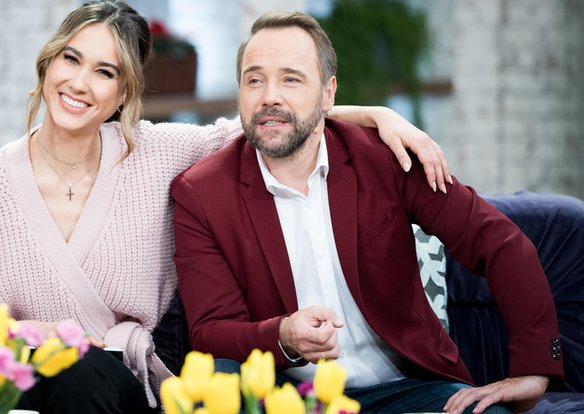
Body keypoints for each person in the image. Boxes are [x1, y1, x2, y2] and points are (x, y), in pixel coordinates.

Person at [0, 1, 452, 413]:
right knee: (68, 373)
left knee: (87, 374)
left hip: (120, 383)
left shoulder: (154, 154)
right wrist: (38, 338)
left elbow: (265, 122)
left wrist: (377, 115)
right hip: (15, 382)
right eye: (70, 60)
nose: (79, 83)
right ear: (46, 64)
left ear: (124, 94)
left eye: (105, 72)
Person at [171, 10, 563, 414]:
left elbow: (498, 242)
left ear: (328, 94)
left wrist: (533, 370)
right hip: (286, 395)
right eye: (254, 80)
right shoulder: (202, 193)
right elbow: (211, 330)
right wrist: (283, 335)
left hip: (405, 389)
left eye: (291, 79)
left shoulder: (387, 157)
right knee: (218, 378)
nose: (269, 95)